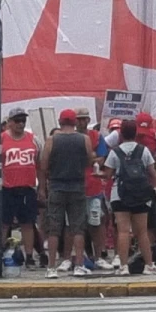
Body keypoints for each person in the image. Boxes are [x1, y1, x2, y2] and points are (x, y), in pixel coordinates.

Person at [103, 119, 156, 275]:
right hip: (140, 194)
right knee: (142, 232)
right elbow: (153, 173)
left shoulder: (114, 152)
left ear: (121, 134)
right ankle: (149, 265)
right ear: (136, 133)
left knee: (123, 231)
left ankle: (123, 266)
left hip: (120, 194)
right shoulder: (143, 150)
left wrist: (100, 174)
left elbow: (107, 175)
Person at [39, 109, 95, 278]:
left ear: (60, 122)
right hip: (77, 186)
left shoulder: (51, 140)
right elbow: (90, 161)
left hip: (56, 185)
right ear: (75, 122)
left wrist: (46, 182)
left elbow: (43, 164)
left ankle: (51, 268)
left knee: (54, 228)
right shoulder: (84, 139)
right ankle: (78, 264)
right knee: (78, 228)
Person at [1, 107, 42, 269]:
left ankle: (30, 256)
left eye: (23, 120)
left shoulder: (33, 140)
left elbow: (39, 165)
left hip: (27, 187)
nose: (20, 124)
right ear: (9, 122)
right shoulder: (1, 139)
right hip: (6, 188)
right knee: (4, 223)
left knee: (28, 223)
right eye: (17, 120)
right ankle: (0, 254)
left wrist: (41, 187)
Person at [76, 109, 113, 272]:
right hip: (76, 186)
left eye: (84, 119)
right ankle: (77, 257)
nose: (81, 122)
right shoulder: (71, 137)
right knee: (76, 226)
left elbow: (102, 158)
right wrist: (91, 157)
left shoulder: (96, 136)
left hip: (94, 186)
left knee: (96, 222)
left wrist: (89, 158)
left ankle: (99, 256)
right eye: (79, 119)